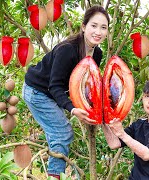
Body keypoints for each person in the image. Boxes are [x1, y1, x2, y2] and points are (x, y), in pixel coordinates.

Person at [22, 5, 110, 179]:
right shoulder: (68, 50)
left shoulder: (97, 54)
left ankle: (55, 170)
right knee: (62, 133)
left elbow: (85, 84)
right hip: (37, 92)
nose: (98, 31)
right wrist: (73, 109)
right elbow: (54, 86)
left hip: (51, 93)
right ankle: (55, 176)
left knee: (58, 134)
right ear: (84, 27)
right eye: (93, 25)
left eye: (103, 27)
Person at [102, 79, 149, 179]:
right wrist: (102, 120)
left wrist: (122, 133)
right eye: (147, 96)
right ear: (142, 99)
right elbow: (114, 144)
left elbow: (147, 154)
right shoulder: (139, 124)